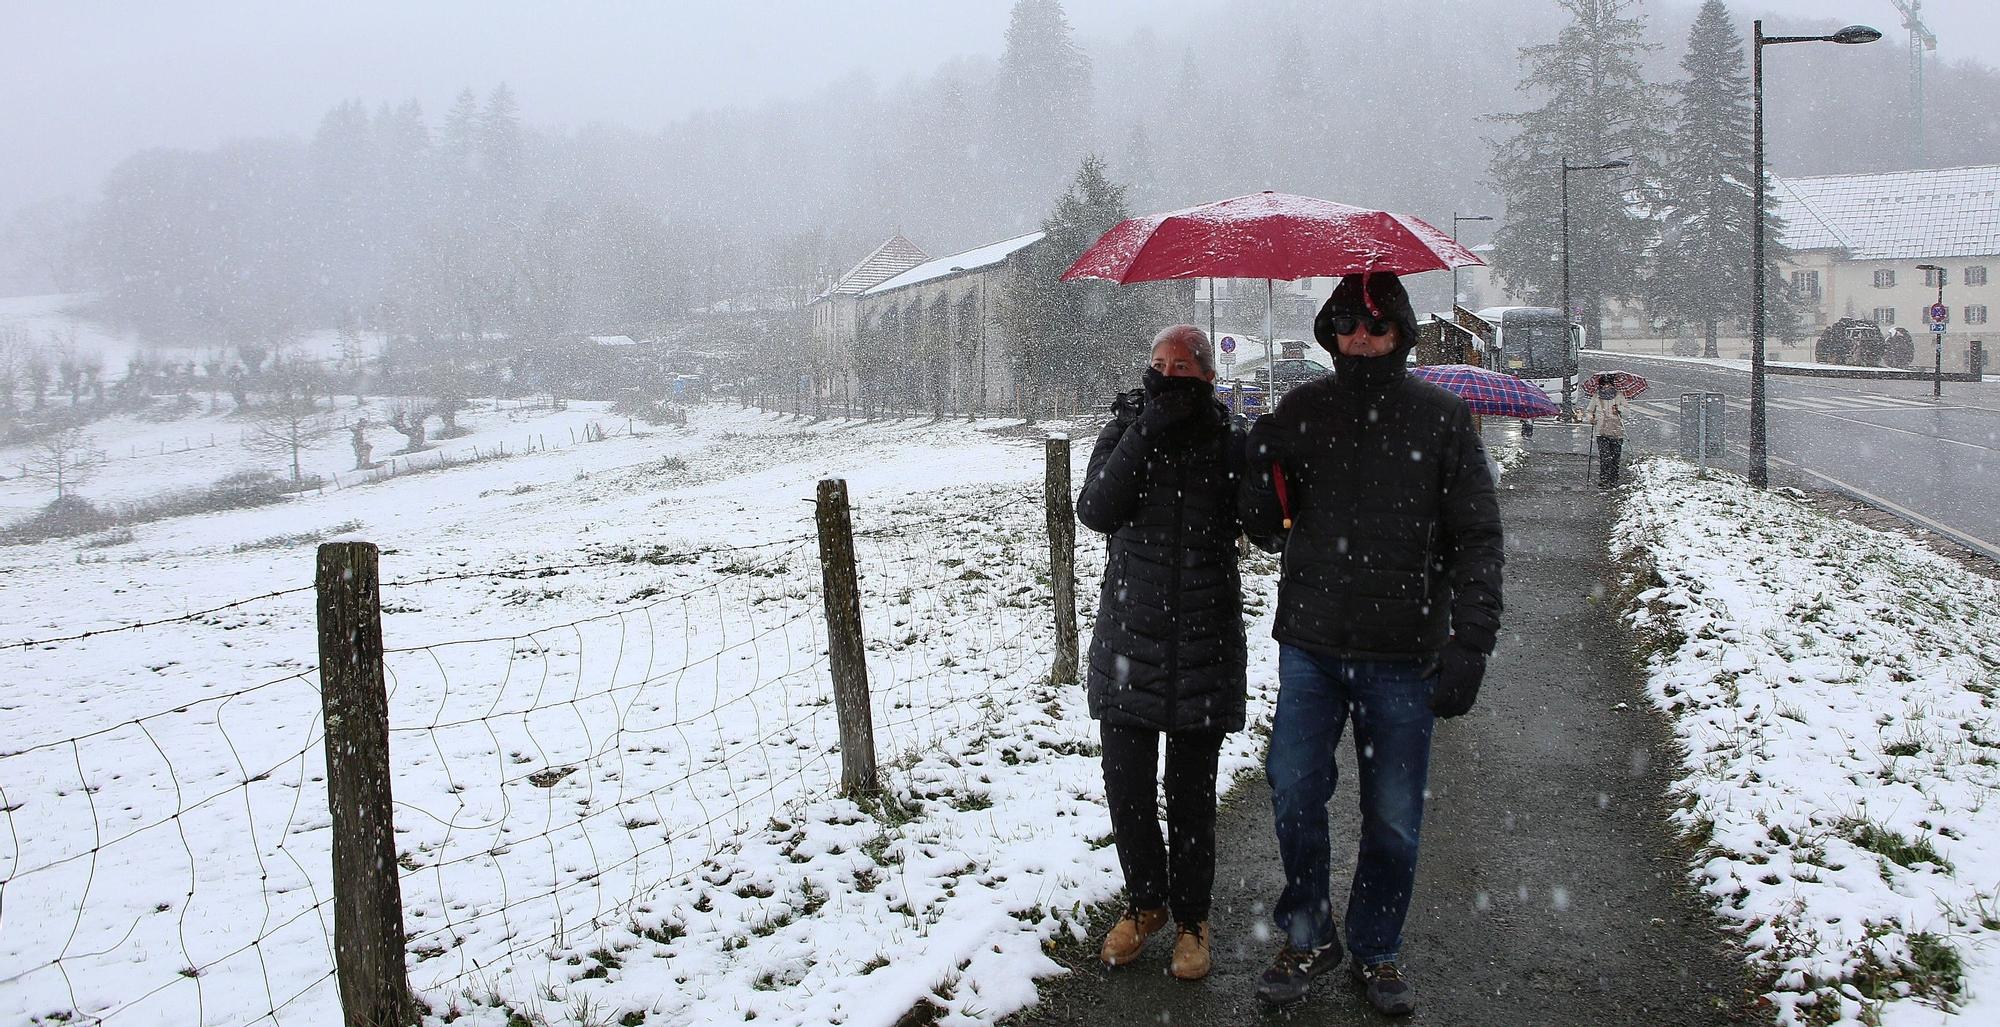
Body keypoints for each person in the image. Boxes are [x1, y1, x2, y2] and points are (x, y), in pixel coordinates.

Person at [1240, 272, 1504, 1015]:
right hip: (1312, 644)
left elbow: (1478, 536)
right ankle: (1308, 933)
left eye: (1377, 323)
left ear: (1401, 332)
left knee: (1392, 815)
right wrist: (1257, 468)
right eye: (1348, 322)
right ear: (1330, 329)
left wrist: (1470, 643)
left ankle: (1377, 947)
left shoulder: (1442, 419)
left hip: (1404, 653)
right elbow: (1265, 529)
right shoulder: (1302, 410)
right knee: (1294, 786)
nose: (1361, 336)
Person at [1075, 323, 1255, 982]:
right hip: (1130, 639)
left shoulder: (1229, 443)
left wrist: (1268, 460)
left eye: (1182, 366)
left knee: (1190, 795)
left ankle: (1192, 921)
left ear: (1208, 376)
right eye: (1158, 363)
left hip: (1203, 643)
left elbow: (1261, 525)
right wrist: (1146, 429)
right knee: (1126, 787)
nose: (1168, 375)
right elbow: (1096, 508)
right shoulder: (1125, 430)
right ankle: (1145, 903)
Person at [1581, 374, 1628, 487]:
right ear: (1601, 385)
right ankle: (1604, 479)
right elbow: (1589, 411)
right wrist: (1591, 418)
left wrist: (1619, 409)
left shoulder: (1619, 396)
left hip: (1616, 431)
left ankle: (1613, 479)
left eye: (1609, 384)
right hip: (1601, 431)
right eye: (1604, 384)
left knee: (1615, 457)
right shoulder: (1597, 396)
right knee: (1605, 456)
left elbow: (1627, 412)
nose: (1607, 387)